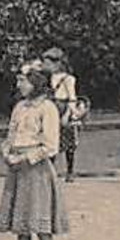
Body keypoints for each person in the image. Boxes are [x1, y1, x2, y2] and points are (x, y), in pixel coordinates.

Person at [0, 66, 70, 240]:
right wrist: (7, 152)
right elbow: (11, 134)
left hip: (37, 170)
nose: (19, 85)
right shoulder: (19, 107)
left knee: (41, 224)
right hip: (18, 170)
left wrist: (26, 158)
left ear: (35, 82)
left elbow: (51, 145)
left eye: (23, 81)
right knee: (21, 226)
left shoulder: (47, 108)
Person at [41, 46, 86, 181]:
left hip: (63, 107)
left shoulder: (68, 79)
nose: (46, 66)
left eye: (48, 63)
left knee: (68, 141)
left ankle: (70, 171)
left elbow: (72, 97)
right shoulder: (48, 78)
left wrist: (68, 114)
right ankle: (51, 170)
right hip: (52, 107)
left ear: (57, 63)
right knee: (51, 139)